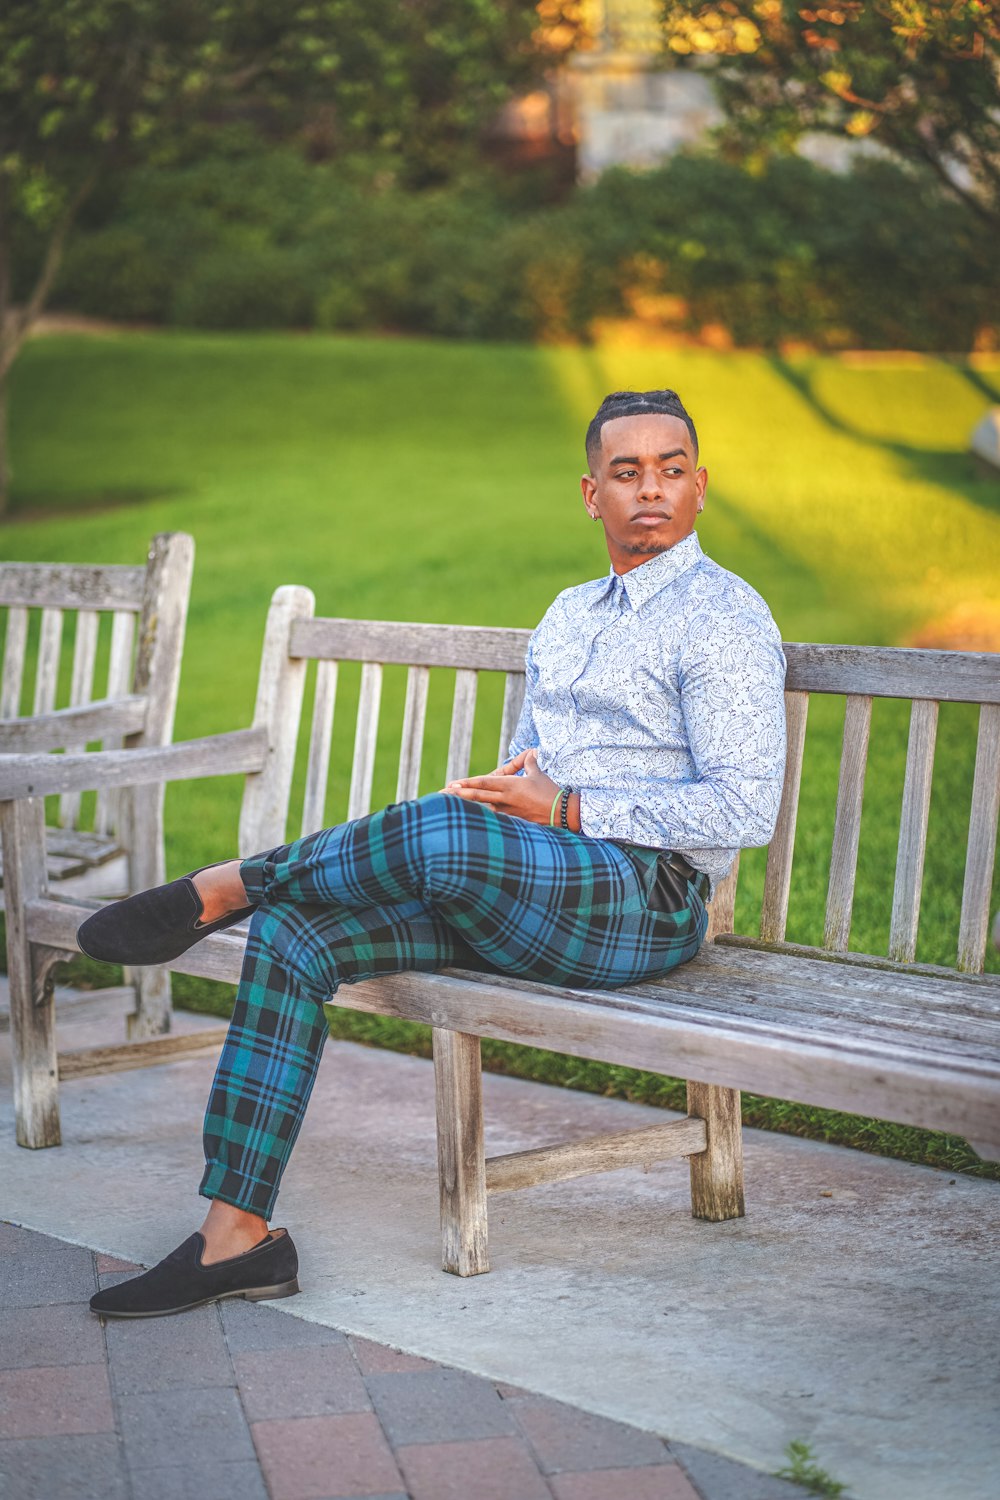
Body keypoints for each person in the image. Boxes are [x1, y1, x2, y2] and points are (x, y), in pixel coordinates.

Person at [81, 388, 787, 1320]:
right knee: (295, 934)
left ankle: (228, 884)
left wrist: (567, 807)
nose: (649, 489)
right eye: (627, 472)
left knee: (442, 840)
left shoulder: (723, 617)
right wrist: (506, 794)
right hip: (540, 886)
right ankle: (236, 1237)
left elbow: (747, 808)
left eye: (670, 469)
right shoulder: (571, 614)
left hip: (646, 900)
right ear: (592, 494)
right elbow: (530, 762)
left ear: (701, 486)